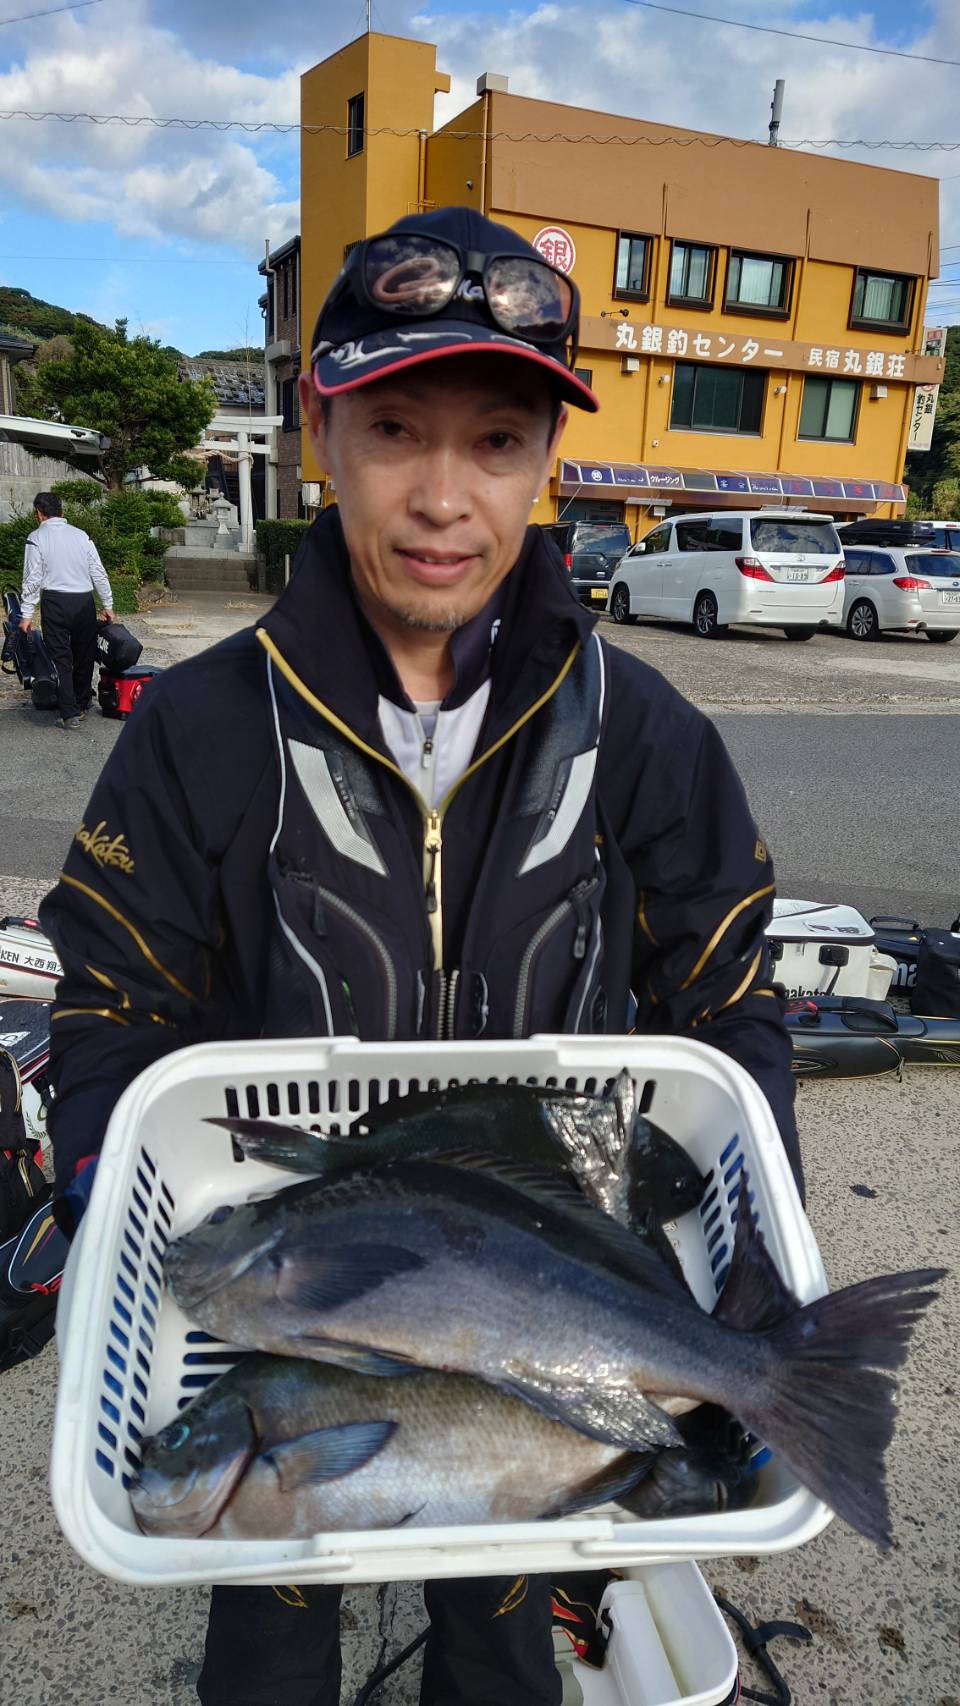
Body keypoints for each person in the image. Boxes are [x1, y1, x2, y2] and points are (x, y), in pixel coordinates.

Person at [40, 206, 800, 1706]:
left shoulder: (648, 734)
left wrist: (759, 1287)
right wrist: (98, 1203)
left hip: (547, 1261)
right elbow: (110, 1005)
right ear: (319, 428)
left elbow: (731, 1005)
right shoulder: (195, 731)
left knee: (501, 1634)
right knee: (267, 1625)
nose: (444, 497)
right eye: (395, 428)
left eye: (498, 440)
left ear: (548, 458)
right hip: (296, 1270)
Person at [19, 490, 115, 731]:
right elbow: (98, 572)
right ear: (62, 511)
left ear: (39, 514)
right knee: (84, 655)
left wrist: (27, 613)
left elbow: (32, 578)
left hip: (55, 602)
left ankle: (69, 713)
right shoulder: (81, 536)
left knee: (61, 658)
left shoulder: (36, 538)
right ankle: (82, 703)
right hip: (84, 601)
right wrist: (108, 605)